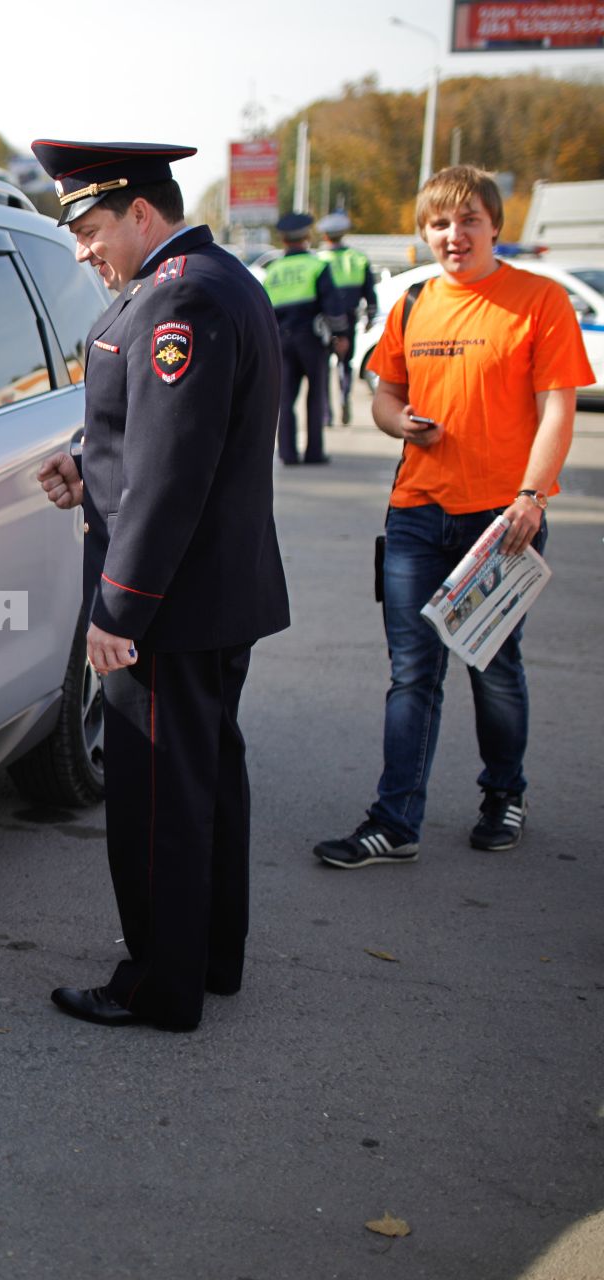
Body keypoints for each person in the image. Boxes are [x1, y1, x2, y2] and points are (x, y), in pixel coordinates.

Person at [30, 139, 289, 1032]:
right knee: (208, 779)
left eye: (92, 228)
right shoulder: (217, 279)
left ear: (142, 213)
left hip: (168, 605)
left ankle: (158, 985)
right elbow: (159, 436)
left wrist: (118, 611)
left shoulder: (176, 297)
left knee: (154, 802)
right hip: (215, 592)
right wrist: (84, 463)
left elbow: (174, 469)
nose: (82, 249)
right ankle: (210, 959)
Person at [314, 165, 593, 869]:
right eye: (439, 223)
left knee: (492, 668)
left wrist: (531, 496)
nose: (453, 234)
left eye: (468, 219)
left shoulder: (539, 300)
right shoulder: (413, 304)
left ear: (495, 224)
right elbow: (384, 396)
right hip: (416, 513)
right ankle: (394, 821)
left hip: (502, 520)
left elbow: (559, 407)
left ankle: (504, 794)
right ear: (424, 233)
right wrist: (399, 423)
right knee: (412, 672)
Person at [262, 212, 348, 463]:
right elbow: (332, 307)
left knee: (286, 398)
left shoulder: (273, 270)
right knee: (315, 394)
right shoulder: (318, 266)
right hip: (311, 338)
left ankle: (287, 453)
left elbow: (266, 309)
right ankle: (314, 452)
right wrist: (341, 335)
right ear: (307, 237)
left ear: (283, 239)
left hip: (281, 341)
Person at [317, 211, 378, 426]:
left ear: (326, 236)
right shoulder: (358, 258)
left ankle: (326, 412)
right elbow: (370, 292)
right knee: (345, 363)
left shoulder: (319, 259)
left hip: (324, 322)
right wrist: (370, 316)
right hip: (349, 319)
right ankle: (344, 396)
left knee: (323, 366)